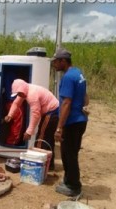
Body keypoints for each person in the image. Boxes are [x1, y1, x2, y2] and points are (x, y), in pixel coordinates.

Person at [50, 48, 89, 197]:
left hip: (72, 123)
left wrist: (59, 128)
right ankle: (68, 181)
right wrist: (84, 106)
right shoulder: (78, 73)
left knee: (69, 155)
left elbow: (66, 102)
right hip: (80, 120)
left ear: (63, 61)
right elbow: (85, 95)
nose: (54, 65)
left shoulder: (67, 77)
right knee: (71, 153)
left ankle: (74, 187)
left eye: (56, 62)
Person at [4, 79, 59, 170]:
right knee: (47, 138)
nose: (19, 96)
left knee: (42, 138)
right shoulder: (24, 90)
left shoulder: (32, 95)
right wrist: (10, 115)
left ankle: (40, 165)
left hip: (52, 112)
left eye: (19, 94)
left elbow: (35, 114)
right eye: (18, 94)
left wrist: (29, 131)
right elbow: (16, 103)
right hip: (52, 111)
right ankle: (49, 165)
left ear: (22, 90)